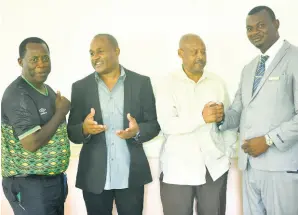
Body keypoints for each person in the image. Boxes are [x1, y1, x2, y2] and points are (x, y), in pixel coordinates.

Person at [215, 6, 298, 215]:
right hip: (250, 167)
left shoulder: (294, 59)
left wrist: (268, 140)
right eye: (249, 28)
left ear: (276, 24)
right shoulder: (249, 68)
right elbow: (238, 110)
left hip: (281, 167)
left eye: (261, 25)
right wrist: (221, 117)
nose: (254, 32)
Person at [67, 34, 160, 215]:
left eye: (100, 51)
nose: (95, 57)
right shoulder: (80, 88)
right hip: (94, 177)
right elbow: (72, 132)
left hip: (131, 176)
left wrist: (137, 131)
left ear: (116, 51)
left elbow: (154, 124)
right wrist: (84, 129)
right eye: (92, 53)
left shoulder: (141, 83)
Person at [155, 33, 237, 215]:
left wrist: (227, 152)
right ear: (180, 53)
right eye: (194, 52)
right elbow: (168, 124)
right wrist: (201, 117)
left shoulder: (217, 82)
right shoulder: (167, 84)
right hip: (177, 170)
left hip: (213, 169)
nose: (200, 56)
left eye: (203, 52)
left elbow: (229, 121)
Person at [1, 37, 71, 215]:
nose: (41, 64)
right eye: (34, 59)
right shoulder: (18, 94)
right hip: (30, 185)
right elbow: (31, 143)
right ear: (20, 62)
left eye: (45, 58)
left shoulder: (46, 90)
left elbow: (56, 131)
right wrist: (61, 112)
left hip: (52, 182)